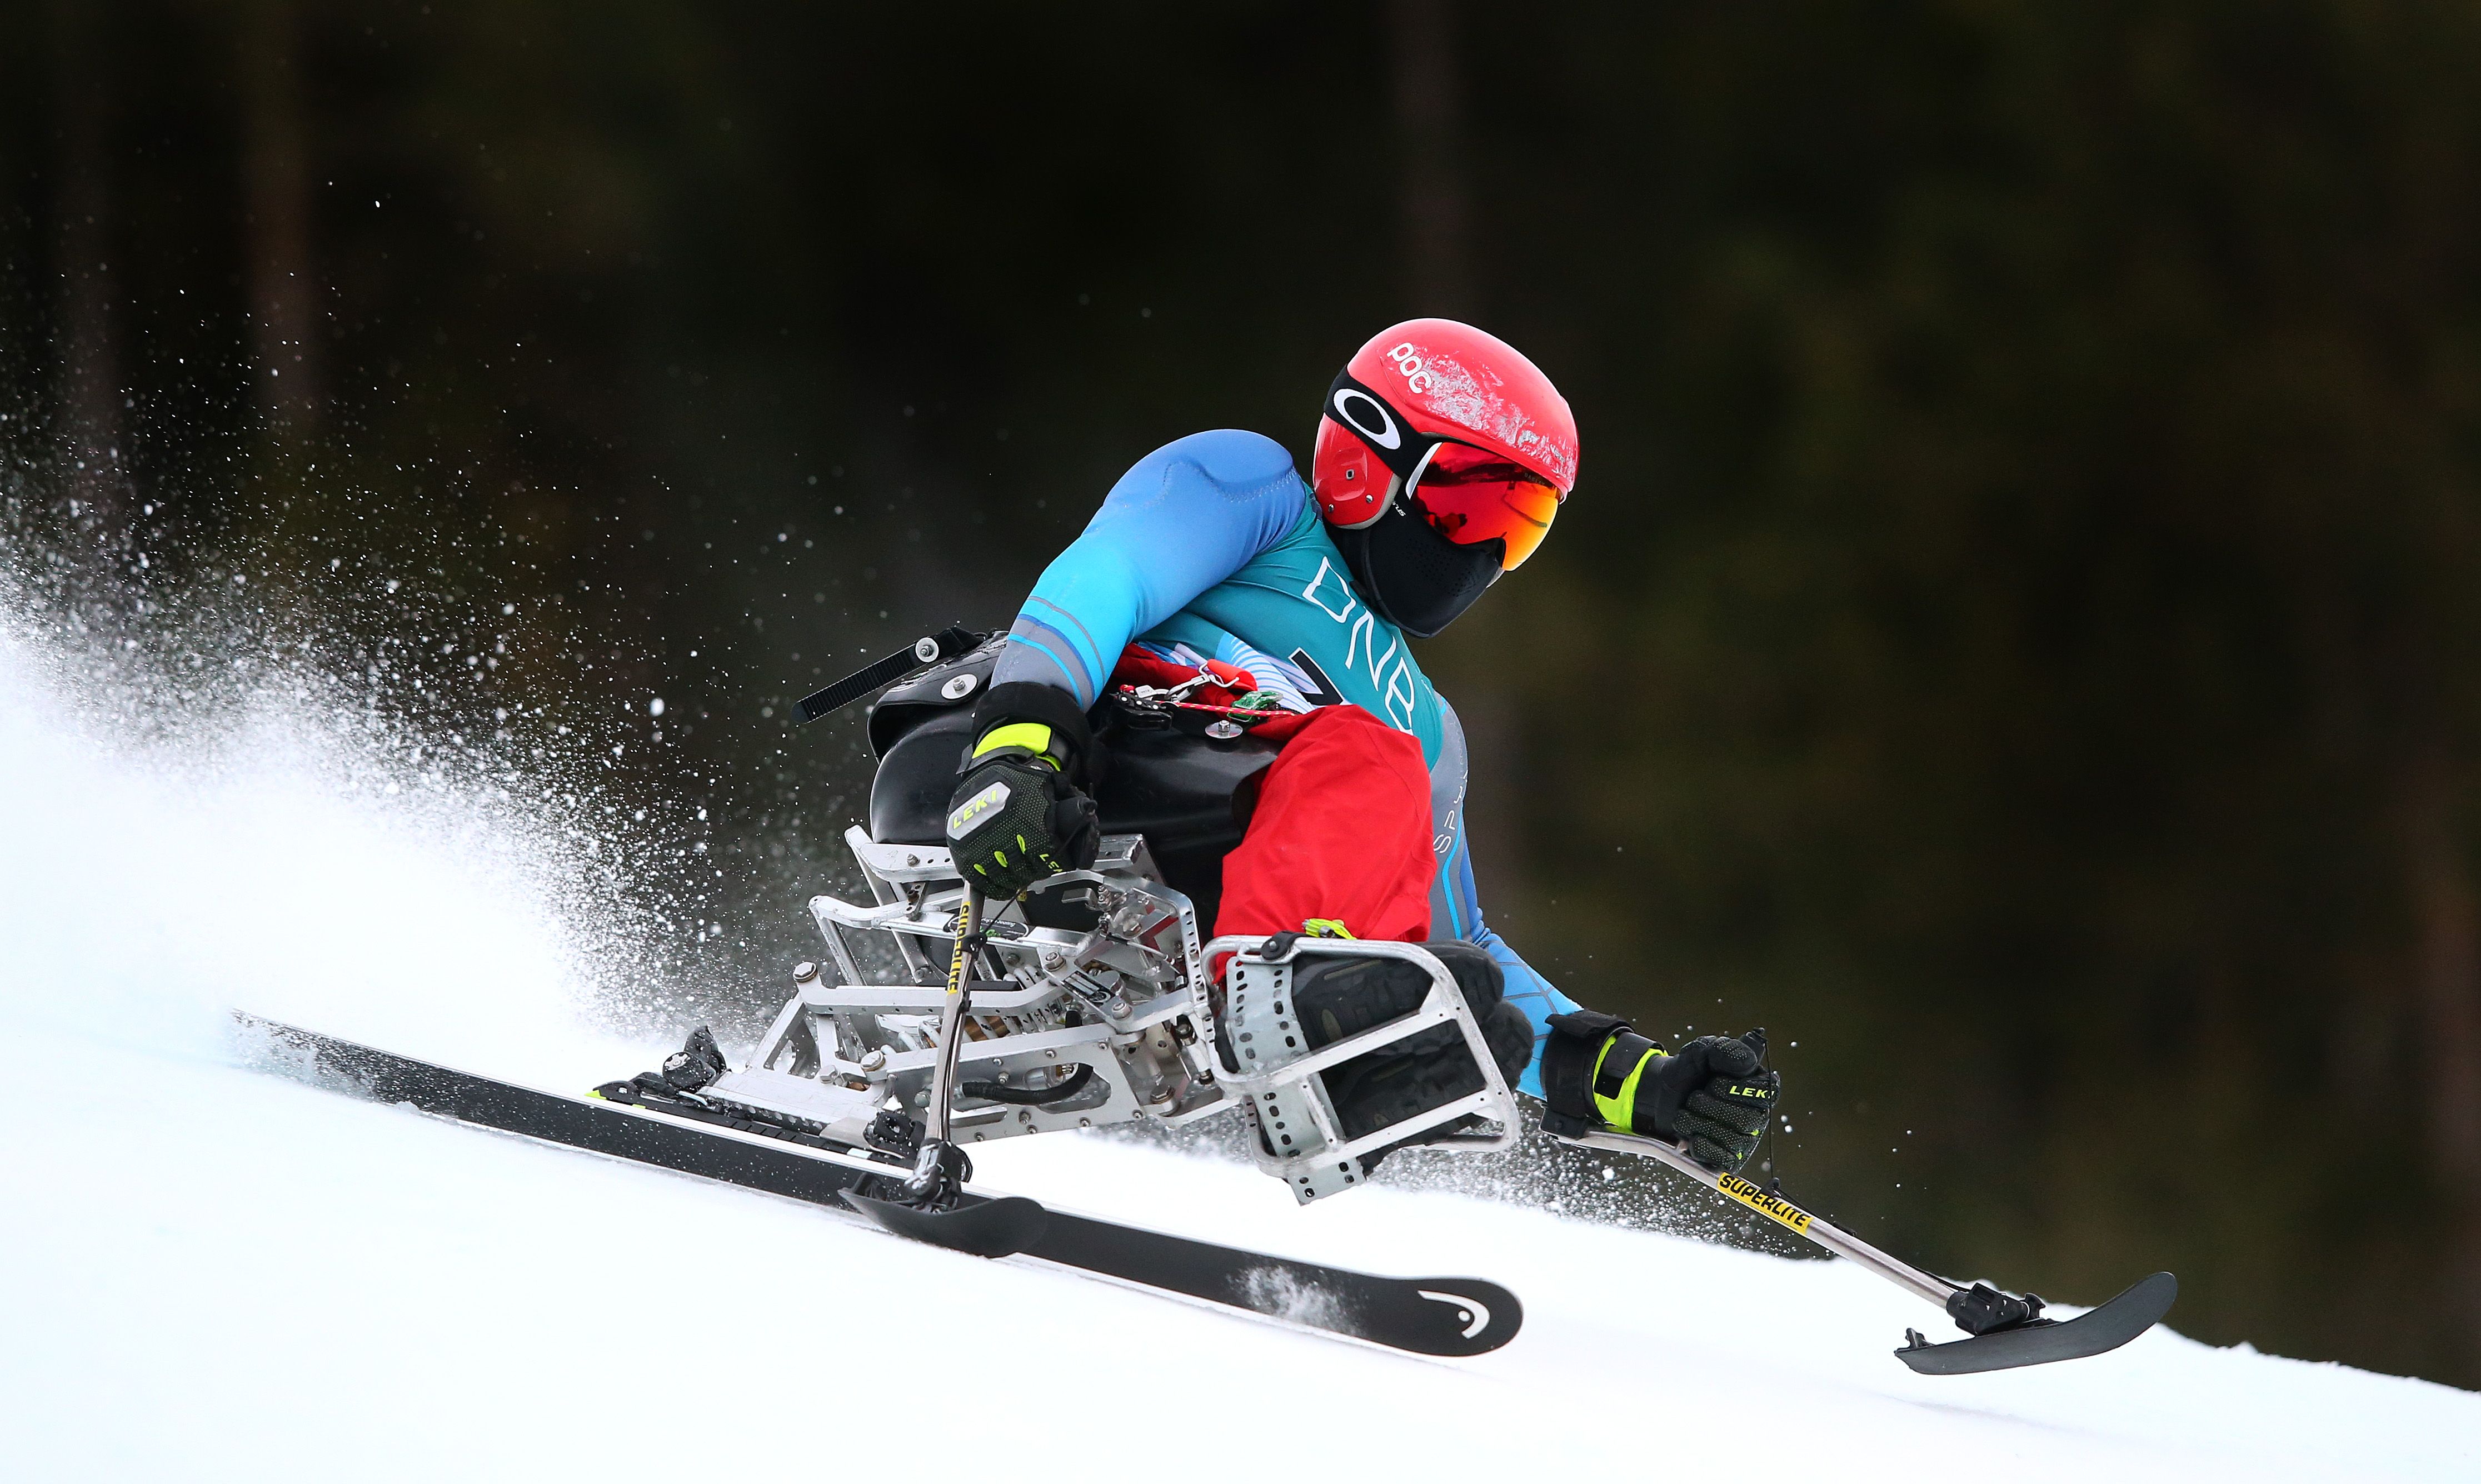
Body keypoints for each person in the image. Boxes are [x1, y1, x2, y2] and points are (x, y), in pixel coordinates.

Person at [941, 319, 1779, 1172]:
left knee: (1462, 985)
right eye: (1468, 504)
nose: (1485, 548)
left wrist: (1633, 1076)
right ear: (1366, 456)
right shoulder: (1252, 490)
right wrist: (1021, 746)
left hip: (1221, 874)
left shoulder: (1427, 729)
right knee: (1365, 754)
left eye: (1518, 525)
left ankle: (1350, 1037)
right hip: (1079, 763)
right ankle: (1290, 1010)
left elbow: (1458, 934)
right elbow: (1102, 579)